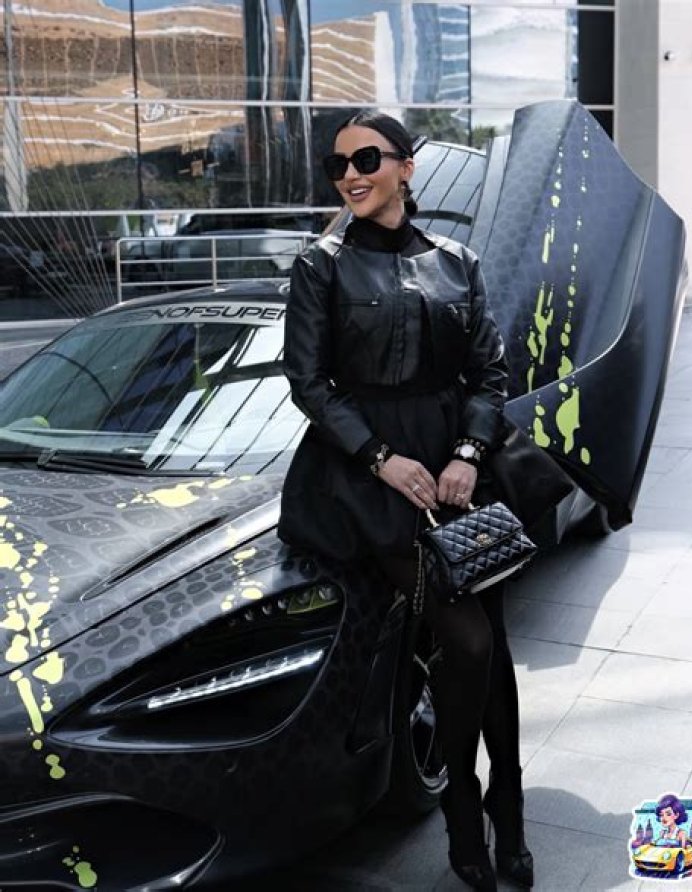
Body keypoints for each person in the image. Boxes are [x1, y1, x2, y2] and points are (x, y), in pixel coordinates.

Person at [278, 111, 533, 891]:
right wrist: (382, 459)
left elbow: (490, 373)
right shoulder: (320, 266)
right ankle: (464, 810)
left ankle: (509, 809)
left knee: (491, 640)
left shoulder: (457, 261)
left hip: (458, 469)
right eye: (338, 166)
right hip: (368, 482)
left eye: (366, 159)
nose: (350, 176)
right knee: (468, 640)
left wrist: (468, 453)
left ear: (406, 167)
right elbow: (308, 383)